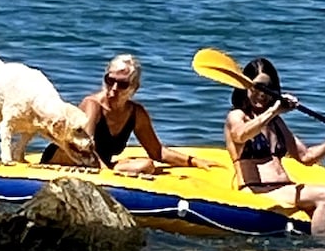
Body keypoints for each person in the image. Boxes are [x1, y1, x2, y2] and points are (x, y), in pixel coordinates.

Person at [224, 56, 325, 238]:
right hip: (257, 189)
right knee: (323, 195)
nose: (262, 94)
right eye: (257, 87)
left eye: (268, 89)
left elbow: (306, 157)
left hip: (285, 188)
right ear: (245, 87)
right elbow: (241, 135)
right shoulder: (237, 116)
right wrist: (274, 110)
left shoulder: (276, 123)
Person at [41, 53, 205, 174]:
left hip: (99, 165)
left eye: (122, 84)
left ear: (134, 88)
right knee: (76, 149)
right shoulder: (93, 105)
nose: (113, 89)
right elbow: (82, 147)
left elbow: (157, 152)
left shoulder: (136, 113)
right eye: (110, 80)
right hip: (69, 158)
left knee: (146, 166)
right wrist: (106, 174)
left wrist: (193, 161)